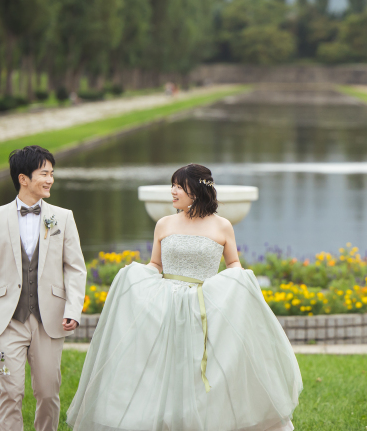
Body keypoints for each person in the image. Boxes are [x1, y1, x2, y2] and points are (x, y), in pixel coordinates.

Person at [67, 164, 302, 431]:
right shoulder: (164, 223)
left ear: (197, 189)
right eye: (173, 185)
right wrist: (137, 277)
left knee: (202, 369)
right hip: (165, 306)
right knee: (160, 366)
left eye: (179, 186)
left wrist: (238, 285)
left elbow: (233, 263)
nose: (173, 191)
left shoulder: (223, 226)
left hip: (204, 306)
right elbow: (155, 264)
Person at [0, 145, 87, 431]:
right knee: (10, 391)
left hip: (49, 318)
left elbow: (75, 268)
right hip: (8, 319)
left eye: (52, 173)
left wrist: (73, 308)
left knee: (48, 393)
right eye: (44, 174)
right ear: (23, 179)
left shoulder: (62, 217)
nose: (50, 179)